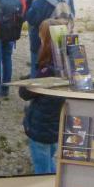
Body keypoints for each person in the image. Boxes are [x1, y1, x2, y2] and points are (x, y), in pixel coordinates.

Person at [19, 18, 69, 174]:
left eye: (41, 36)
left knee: (42, 169)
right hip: (56, 127)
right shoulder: (67, 66)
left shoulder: (46, 70)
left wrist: (28, 81)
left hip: (41, 128)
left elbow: (25, 94)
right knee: (50, 161)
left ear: (45, 40)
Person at [25, 0, 74, 77]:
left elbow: (31, 19)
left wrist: (35, 1)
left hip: (42, 45)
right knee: (62, 72)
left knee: (38, 74)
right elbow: (72, 16)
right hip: (64, 42)